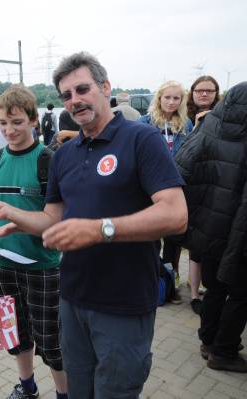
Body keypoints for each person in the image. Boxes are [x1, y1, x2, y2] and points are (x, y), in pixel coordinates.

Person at [0, 52, 187, 398]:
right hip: (73, 298)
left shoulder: (141, 139)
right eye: (66, 95)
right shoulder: (65, 154)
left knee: (115, 391)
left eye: (82, 89)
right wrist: (12, 217)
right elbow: (53, 220)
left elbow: (175, 214)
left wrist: (99, 229)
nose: (74, 100)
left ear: (105, 87)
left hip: (124, 301)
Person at [0, 85, 68, 399]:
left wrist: (13, 218)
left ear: (33, 121)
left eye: (16, 122)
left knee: (52, 341)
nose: (9, 130)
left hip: (43, 266)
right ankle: (27, 386)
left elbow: (55, 218)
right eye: (3, 123)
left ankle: (63, 392)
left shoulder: (48, 160)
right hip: (3, 266)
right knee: (15, 335)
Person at [175, 81, 247, 372]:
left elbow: (181, 166)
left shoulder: (209, 125)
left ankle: (208, 339)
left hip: (210, 225)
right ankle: (224, 350)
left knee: (216, 285)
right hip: (239, 229)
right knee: (241, 291)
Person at [138, 81, 193, 293]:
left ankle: (171, 279)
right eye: (167, 97)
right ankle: (151, 278)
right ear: (159, 99)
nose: (171, 102)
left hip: (174, 186)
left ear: (182, 101)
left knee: (173, 238)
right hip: (148, 188)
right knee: (150, 237)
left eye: (176, 98)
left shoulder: (185, 125)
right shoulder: (145, 123)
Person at [184, 75, 222, 314]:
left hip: (215, 187)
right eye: (200, 90)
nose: (205, 94)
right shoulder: (185, 117)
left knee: (213, 246)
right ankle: (194, 293)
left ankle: (213, 289)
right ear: (193, 93)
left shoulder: (225, 116)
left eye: (209, 91)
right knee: (194, 246)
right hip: (192, 188)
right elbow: (184, 154)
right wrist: (197, 128)